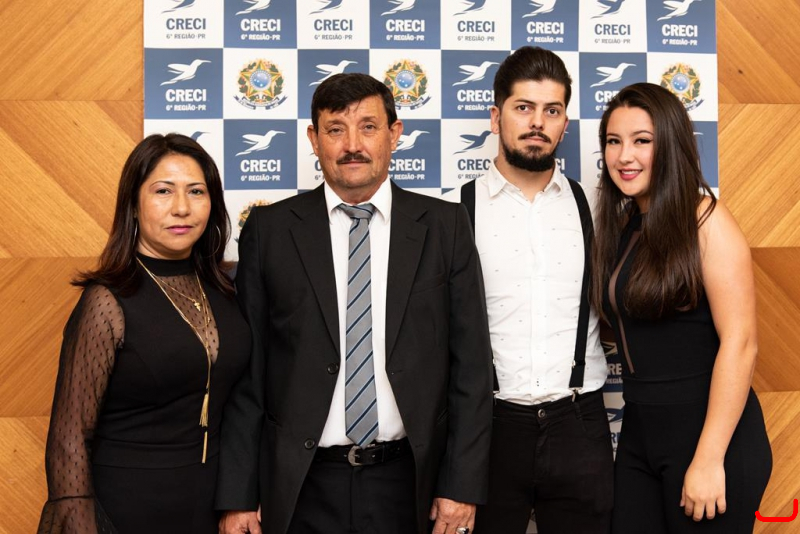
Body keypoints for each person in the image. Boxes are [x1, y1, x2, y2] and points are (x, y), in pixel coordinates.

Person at [216, 72, 494, 534]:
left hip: (409, 483)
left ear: (394, 134)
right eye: (335, 129)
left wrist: (461, 486)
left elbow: (472, 368)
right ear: (314, 138)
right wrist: (238, 496)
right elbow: (250, 375)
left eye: (368, 127)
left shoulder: (445, 226)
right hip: (302, 485)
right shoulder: (271, 231)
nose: (352, 145)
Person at [37, 134, 251, 534]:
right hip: (128, 506)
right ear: (134, 204)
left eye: (196, 191)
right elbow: (70, 435)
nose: (182, 207)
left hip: (211, 505)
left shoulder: (226, 289)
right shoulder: (107, 300)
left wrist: (241, 496)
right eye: (163, 191)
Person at [447, 46, 614, 533]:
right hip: (487, 426)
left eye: (552, 110)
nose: (538, 122)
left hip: (579, 423)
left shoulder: (596, 208)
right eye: (523, 107)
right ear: (495, 116)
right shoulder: (452, 212)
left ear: (565, 124)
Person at [592, 82, 772, 533]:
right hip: (640, 433)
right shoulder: (624, 226)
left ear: (670, 145)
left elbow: (741, 343)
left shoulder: (705, 219)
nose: (624, 156)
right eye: (613, 141)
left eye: (642, 140)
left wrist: (709, 459)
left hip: (710, 438)